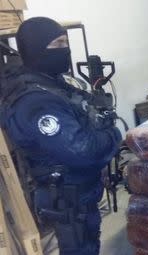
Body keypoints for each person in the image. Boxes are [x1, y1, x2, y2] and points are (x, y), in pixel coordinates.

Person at [0, 17, 122, 255]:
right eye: (56, 44)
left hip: (79, 192)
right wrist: (113, 135)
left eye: (65, 42)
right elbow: (84, 150)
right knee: (79, 249)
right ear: (36, 49)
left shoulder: (52, 84)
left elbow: (89, 111)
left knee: (90, 242)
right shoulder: (36, 103)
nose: (64, 50)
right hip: (65, 197)